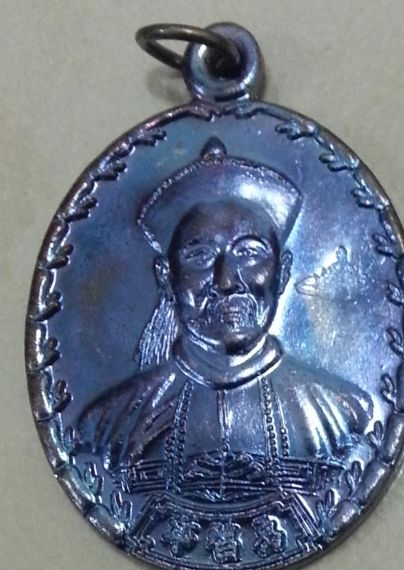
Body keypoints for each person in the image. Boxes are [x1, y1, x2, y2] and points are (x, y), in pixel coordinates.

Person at [77, 137, 373, 505]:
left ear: (282, 273)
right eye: (200, 256)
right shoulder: (109, 424)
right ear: (166, 278)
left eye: (249, 253)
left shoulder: (344, 413)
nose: (227, 280)